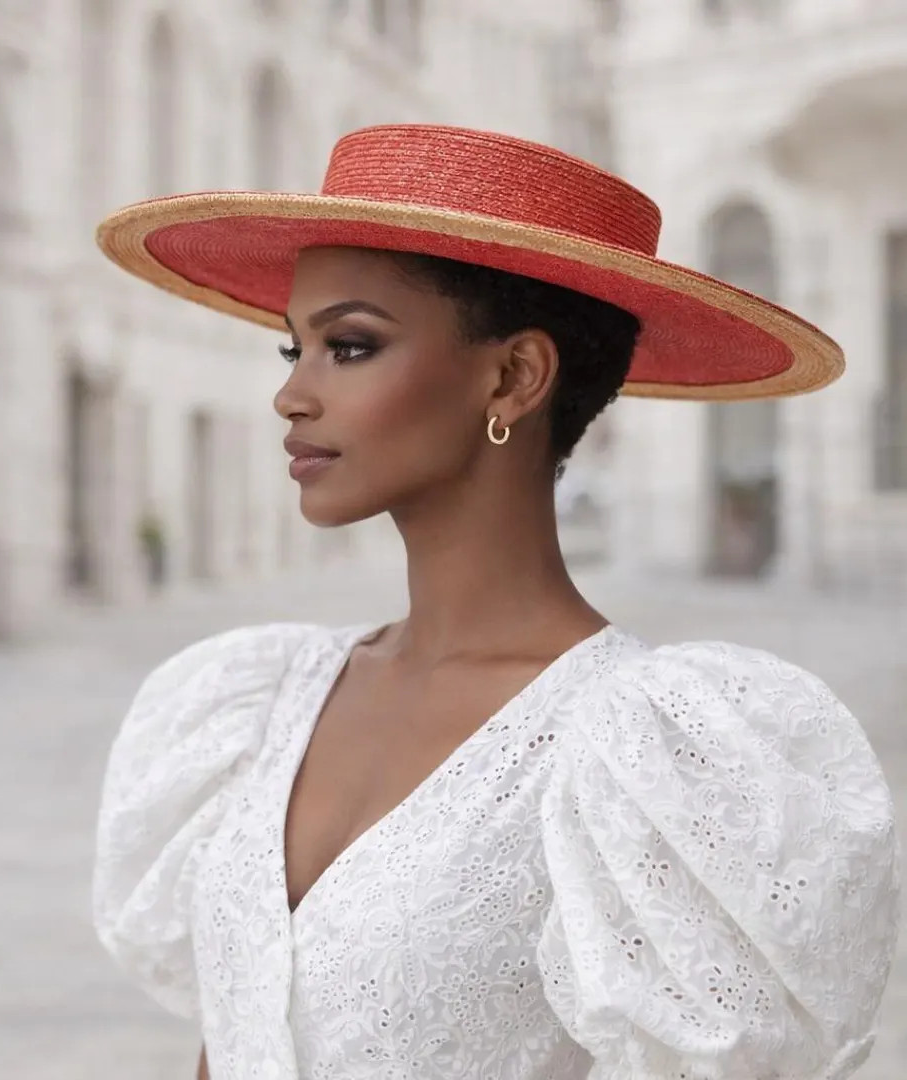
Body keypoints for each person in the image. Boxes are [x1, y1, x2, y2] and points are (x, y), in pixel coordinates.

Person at [91, 125, 899, 1080]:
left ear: (514, 376)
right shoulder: (254, 702)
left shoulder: (645, 759)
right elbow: (229, 1045)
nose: (293, 397)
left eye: (348, 346)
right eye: (292, 350)